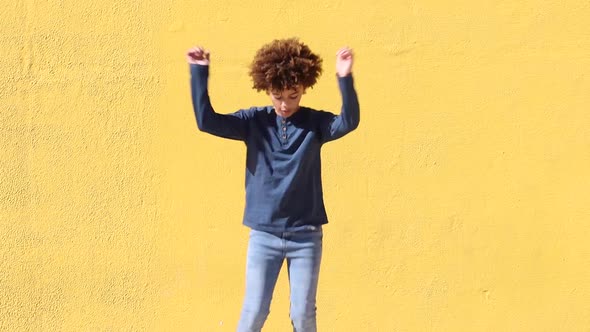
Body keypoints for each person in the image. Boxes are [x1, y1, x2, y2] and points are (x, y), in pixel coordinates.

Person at [186, 38, 359, 332]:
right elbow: (206, 121)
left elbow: (348, 122)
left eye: (293, 96)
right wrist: (200, 71)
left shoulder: (315, 124)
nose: (285, 104)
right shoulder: (253, 121)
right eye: (277, 95)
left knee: (303, 316)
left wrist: (344, 77)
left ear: (303, 88)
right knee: (254, 313)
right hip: (264, 235)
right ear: (266, 88)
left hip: (306, 236)